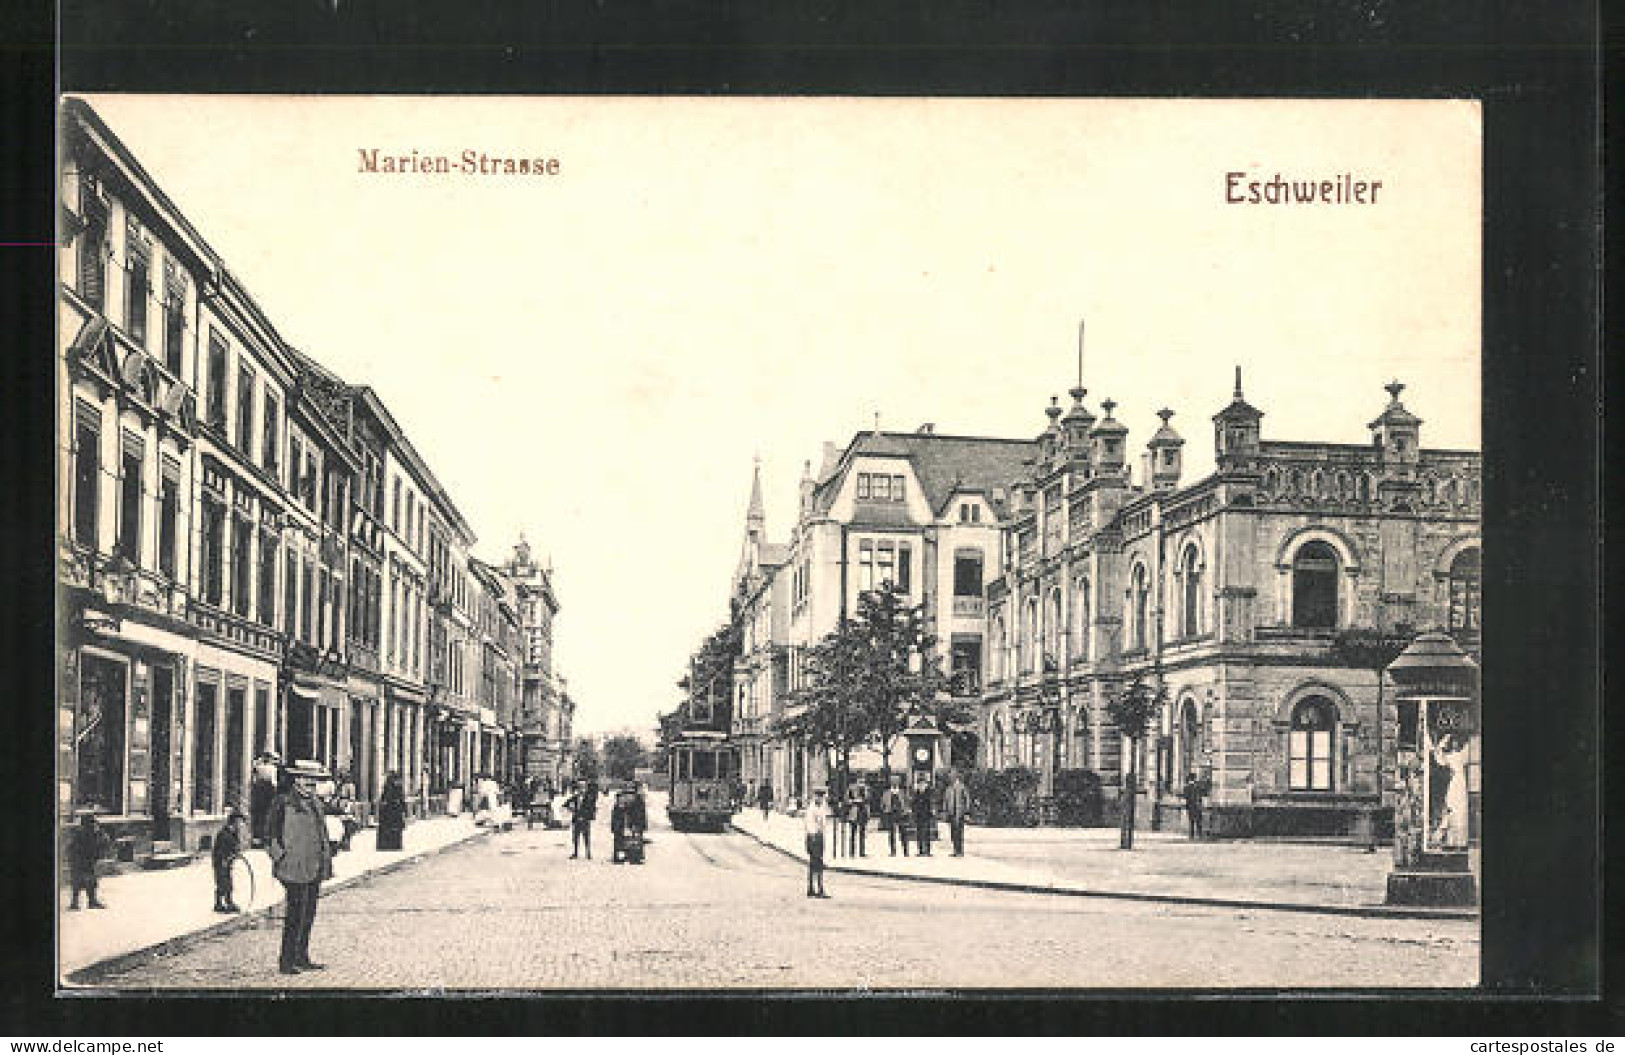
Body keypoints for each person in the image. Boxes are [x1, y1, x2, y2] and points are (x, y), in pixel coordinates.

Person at [268, 759, 335, 975]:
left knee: (308, 914)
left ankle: (302, 956)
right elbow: (269, 833)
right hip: (292, 866)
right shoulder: (283, 801)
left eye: (314, 780)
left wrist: (328, 854)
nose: (311, 784)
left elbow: (321, 830)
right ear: (297, 779)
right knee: (295, 914)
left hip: (314, 865)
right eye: (308, 779)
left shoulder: (315, 801)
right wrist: (279, 856)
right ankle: (286, 961)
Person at [65, 809, 109, 910]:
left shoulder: (83, 833)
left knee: (88, 881)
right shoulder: (85, 834)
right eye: (93, 823)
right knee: (81, 881)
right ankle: (78, 903)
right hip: (80, 861)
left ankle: (88, 902)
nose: (95, 825)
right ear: (88, 824)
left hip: (83, 861)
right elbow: (97, 845)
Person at [211, 806, 247, 912]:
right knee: (222, 882)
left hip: (227, 861)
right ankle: (219, 904)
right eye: (239, 822)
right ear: (234, 821)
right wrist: (224, 860)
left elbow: (234, 846)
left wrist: (235, 854)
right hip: (221, 861)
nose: (241, 825)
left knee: (227, 882)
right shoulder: (224, 833)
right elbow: (221, 849)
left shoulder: (233, 832)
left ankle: (228, 902)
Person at [803, 786, 831, 899]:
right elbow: (809, 824)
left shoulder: (821, 807)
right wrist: (814, 836)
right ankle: (818, 889)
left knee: (815, 863)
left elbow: (823, 823)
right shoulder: (812, 808)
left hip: (819, 836)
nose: (822, 799)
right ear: (816, 797)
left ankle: (812, 889)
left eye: (822, 796)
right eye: (820, 796)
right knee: (817, 863)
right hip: (813, 837)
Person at [249, 752, 280, 847]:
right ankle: (264, 838)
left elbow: (253, 780)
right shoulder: (272, 769)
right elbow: (274, 783)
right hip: (267, 793)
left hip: (258, 793)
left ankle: (256, 838)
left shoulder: (258, 767)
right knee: (267, 815)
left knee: (258, 816)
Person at [564, 778, 598, 859]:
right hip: (576, 818)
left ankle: (588, 852)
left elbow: (591, 808)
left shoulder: (590, 797)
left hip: (585, 819)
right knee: (575, 836)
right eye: (579, 786)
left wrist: (586, 816)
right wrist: (570, 808)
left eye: (583, 786)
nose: (581, 788)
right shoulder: (575, 796)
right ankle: (575, 852)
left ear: (586, 787)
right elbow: (565, 804)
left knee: (586, 836)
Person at [943, 770, 972, 857]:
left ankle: (960, 851)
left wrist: (966, 811)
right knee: (953, 833)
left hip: (960, 813)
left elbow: (967, 800)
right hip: (951, 813)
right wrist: (945, 811)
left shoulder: (962, 787)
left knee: (959, 832)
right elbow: (945, 801)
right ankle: (955, 850)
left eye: (951, 776)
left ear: (956, 777)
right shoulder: (948, 789)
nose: (950, 778)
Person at [880, 773, 910, 857]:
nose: (894, 783)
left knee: (903, 833)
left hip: (901, 814)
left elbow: (907, 802)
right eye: (893, 781)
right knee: (891, 834)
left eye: (896, 781)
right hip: (890, 814)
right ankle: (893, 851)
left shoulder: (902, 792)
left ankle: (905, 851)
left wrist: (906, 811)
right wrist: (885, 810)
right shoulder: (886, 793)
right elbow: (882, 804)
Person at [376, 771, 407, 851]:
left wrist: (382, 805)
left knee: (387, 828)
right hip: (396, 810)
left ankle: (385, 845)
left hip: (389, 810)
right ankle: (395, 845)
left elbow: (384, 798)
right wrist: (404, 809)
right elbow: (402, 798)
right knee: (395, 829)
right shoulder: (399, 785)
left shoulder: (388, 785)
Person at [910, 774, 936, 857]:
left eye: (923, 782)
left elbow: (932, 801)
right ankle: (921, 850)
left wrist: (933, 810)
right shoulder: (916, 792)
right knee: (919, 833)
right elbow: (913, 803)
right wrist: (913, 811)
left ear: (926, 783)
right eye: (920, 782)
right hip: (918, 815)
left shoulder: (929, 791)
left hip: (927, 814)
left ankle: (927, 851)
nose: (921, 784)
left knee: (927, 832)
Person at [845, 777, 870, 857]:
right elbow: (846, 799)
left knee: (862, 833)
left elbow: (869, 799)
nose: (861, 783)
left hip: (863, 812)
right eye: (860, 781)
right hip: (854, 812)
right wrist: (854, 801)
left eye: (863, 781)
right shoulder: (851, 788)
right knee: (853, 833)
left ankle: (862, 852)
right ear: (857, 780)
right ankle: (852, 852)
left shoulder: (867, 789)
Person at [1183, 770, 1209, 840]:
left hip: (1190, 806)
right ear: (1194, 778)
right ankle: (1199, 835)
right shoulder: (1197, 786)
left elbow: (1185, 797)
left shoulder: (1186, 787)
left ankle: (1191, 835)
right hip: (1197, 806)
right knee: (1198, 821)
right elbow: (1204, 793)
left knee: (1191, 821)